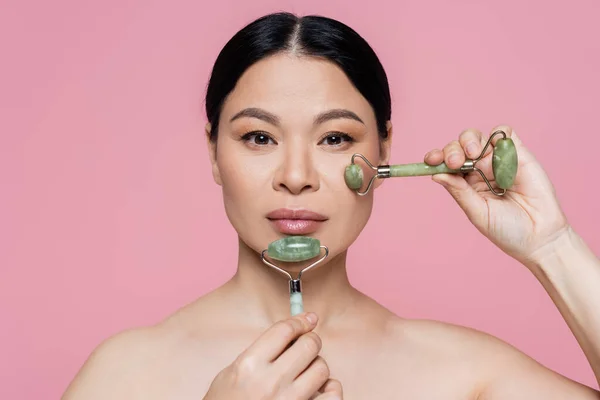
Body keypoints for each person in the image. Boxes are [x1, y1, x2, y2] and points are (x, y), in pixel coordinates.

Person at [62, 12, 600, 400]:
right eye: (259, 138)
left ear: (383, 152)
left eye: (336, 139)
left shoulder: (463, 374)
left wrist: (552, 246)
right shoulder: (125, 376)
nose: (296, 178)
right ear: (213, 152)